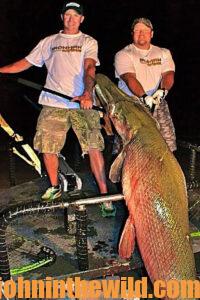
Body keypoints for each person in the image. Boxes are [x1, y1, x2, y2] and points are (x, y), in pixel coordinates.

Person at [0, 0, 115, 215]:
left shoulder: (88, 41)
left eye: (76, 15)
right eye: (67, 15)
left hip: (83, 102)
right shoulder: (48, 42)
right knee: (47, 146)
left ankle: (104, 195)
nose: (71, 19)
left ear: (82, 19)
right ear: (62, 17)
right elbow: (24, 63)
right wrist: (2, 70)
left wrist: (87, 93)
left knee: (94, 147)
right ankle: (54, 187)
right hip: (53, 103)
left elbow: (90, 67)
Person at [114, 17, 176, 152]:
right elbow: (130, 78)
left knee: (168, 146)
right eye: (137, 30)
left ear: (151, 33)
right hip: (131, 104)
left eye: (145, 30)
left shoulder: (163, 53)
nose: (141, 33)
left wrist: (162, 91)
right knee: (126, 149)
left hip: (157, 102)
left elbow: (168, 75)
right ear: (132, 33)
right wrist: (143, 97)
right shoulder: (123, 54)